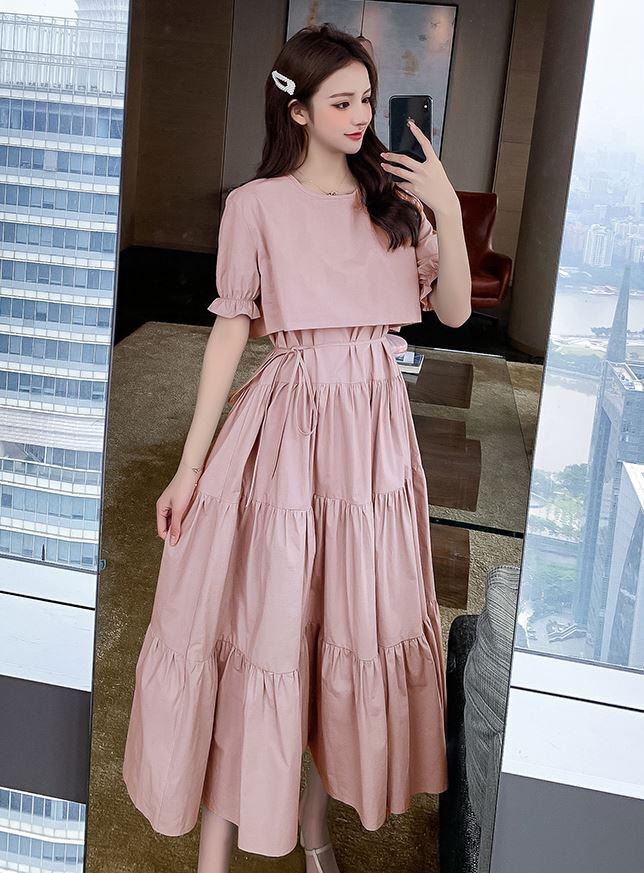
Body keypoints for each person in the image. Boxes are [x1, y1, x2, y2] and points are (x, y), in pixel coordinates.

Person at [122, 22, 471, 873]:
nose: (361, 116)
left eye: (367, 99)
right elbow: (228, 334)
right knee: (264, 636)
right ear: (299, 109)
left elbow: (457, 312)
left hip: (374, 442)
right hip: (287, 427)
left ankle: (315, 833)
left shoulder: (396, 203)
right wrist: (189, 468)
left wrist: (451, 210)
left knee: (346, 635)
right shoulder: (255, 205)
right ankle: (215, 855)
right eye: (341, 101)